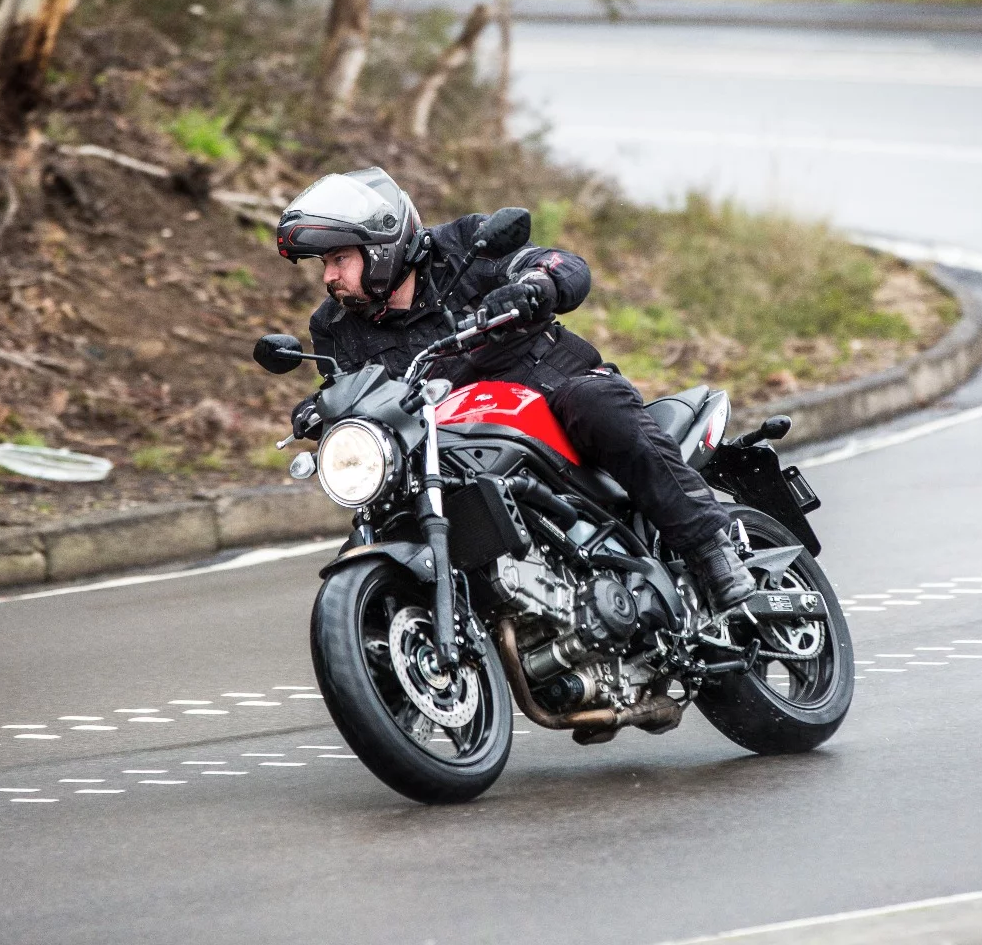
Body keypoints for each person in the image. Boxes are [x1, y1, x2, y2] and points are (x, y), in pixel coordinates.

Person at [275, 166, 754, 612]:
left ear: (381, 248)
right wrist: (325, 408)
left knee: (596, 402)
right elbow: (354, 390)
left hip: (547, 394)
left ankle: (710, 548)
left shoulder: (467, 246)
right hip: (451, 444)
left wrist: (536, 284)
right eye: (324, 262)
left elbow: (562, 264)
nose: (328, 276)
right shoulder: (334, 325)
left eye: (339, 258)